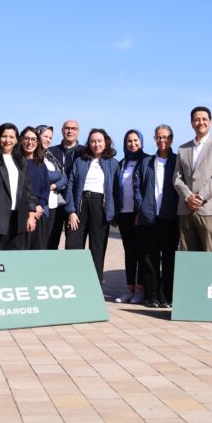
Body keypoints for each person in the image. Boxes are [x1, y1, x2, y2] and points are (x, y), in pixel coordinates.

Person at [65, 128, 120, 285]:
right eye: (93, 141)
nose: (96, 144)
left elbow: (116, 190)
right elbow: (70, 185)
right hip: (80, 205)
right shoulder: (80, 161)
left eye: (99, 141)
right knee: (73, 245)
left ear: (106, 142)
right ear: (88, 144)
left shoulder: (113, 164)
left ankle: (94, 285)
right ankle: (72, 283)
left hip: (100, 206)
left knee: (97, 248)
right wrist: (71, 211)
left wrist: (114, 214)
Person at [173, 106, 212, 251]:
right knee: (188, 257)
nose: (201, 122)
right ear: (192, 123)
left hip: (209, 209)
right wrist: (188, 197)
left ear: (210, 122)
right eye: (197, 119)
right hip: (186, 210)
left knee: (209, 256)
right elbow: (176, 178)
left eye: (204, 119)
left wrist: (200, 197)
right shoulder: (182, 148)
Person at [135, 124, 179, 308]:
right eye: (159, 137)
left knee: (169, 257)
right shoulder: (146, 162)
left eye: (165, 137)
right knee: (149, 257)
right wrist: (140, 206)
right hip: (149, 216)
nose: (162, 140)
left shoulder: (178, 161)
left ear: (171, 139)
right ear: (155, 139)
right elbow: (137, 185)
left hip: (170, 216)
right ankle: (151, 295)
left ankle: (166, 295)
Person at [113, 129, 149, 304]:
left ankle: (141, 290)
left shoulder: (147, 161)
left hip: (140, 215)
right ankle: (129, 289)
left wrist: (141, 211)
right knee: (129, 252)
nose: (132, 144)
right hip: (124, 214)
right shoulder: (122, 163)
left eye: (135, 140)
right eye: (129, 141)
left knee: (141, 251)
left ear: (141, 142)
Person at [48, 119, 87, 248]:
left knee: (73, 243)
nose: (70, 131)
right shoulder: (50, 151)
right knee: (51, 241)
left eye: (73, 128)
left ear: (78, 131)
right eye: (67, 128)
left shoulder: (85, 153)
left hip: (75, 202)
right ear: (62, 130)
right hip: (54, 201)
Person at [36, 124, 67, 249]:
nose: (48, 140)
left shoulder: (50, 156)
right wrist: (56, 175)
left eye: (50, 137)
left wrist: (55, 185)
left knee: (52, 242)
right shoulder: (32, 156)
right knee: (41, 243)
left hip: (55, 204)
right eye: (45, 136)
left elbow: (64, 177)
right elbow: (44, 176)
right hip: (42, 206)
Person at [19, 126, 50, 249]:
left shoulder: (41, 164)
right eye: (26, 138)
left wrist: (40, 206)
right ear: (21, 140)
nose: (30, 142)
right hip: (22, 209)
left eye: (33, 139)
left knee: (38, 249)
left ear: (37, 142)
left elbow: (45, 188)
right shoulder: (17, 162)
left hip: (39, 211)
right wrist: (31, 208)